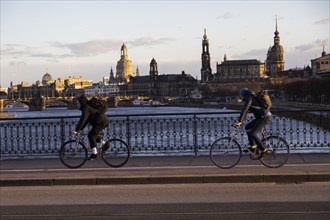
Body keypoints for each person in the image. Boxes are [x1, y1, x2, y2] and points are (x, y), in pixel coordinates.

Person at [232, 87, 272, 156]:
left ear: (243, 95)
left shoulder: (249, 98)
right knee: (247, 127)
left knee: (253, 133)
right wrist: (240, 121)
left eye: (241, 96)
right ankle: (253, 147)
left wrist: (240, 121)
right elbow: (246, 112)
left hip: (265, 117)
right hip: (261, 117)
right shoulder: (252, 97)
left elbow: (245, 109)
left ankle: (263, 150)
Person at [72, 95, 110, 160]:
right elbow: (85, 121)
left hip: (100, 122)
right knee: (93, 135)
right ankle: (105, 144)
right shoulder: (88, 107)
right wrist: (79, 129)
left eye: (78, 103)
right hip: (103, 121)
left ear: (82, 102)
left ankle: (95, 154)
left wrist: (77, 130)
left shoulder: (86, 108)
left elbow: (83, 119)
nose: (78, 104)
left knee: (91, 136)